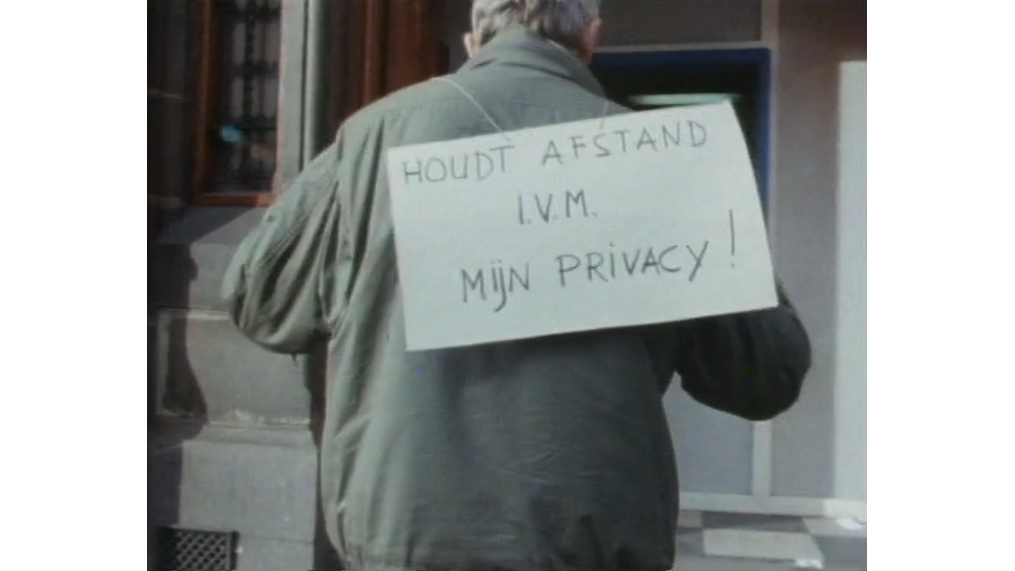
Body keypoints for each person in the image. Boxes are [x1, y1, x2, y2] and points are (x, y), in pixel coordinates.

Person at [222, 1, 812, 569]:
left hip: (408, 530)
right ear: (590, 37)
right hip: (592, 536)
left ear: (473, 39)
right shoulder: (667, 161)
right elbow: (765, 375)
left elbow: (261, 301)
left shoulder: (375, 135)